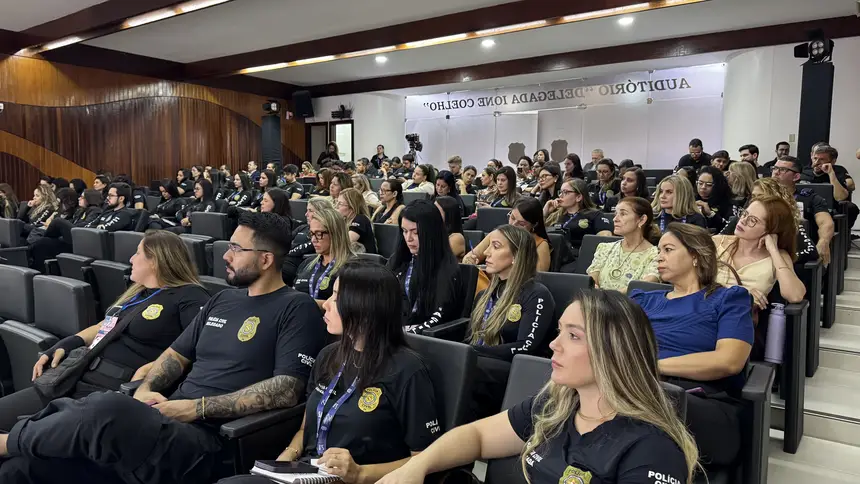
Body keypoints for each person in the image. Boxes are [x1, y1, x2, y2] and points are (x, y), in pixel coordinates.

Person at [0, 213, 328, 484]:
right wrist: (146, 389)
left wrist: (195, 409)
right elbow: (174, 356)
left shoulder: (296, 308)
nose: (226, 256)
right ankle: (18, 443)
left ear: (266, 259)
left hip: (208, 442)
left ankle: (8, 440)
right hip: (161, 424)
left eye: (236, 249)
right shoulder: (223, 299)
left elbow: (287, 389)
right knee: (21, 470)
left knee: (107, 408)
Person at [377, 290, 698, 484]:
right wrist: (417, 466)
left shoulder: (652, 450)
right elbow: (477, 436)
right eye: (560, 331)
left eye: (573, 336)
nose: (554, 345)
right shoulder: (555, 405)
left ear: (615, 351)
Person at [220, 261, 441, 484]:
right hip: (308, 474)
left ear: (364, 308)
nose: (325, 304)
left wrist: (359, 473)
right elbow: (306, 429)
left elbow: (423, 460)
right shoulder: (328, 355)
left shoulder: (408, 370)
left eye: (336, 298)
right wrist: (286, 459)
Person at [0, 230, 210, 432]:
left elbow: (198, 351)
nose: (131, 259)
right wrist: (67, 343)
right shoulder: (138, 293)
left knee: (21, 440)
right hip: (75, 377)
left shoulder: (190, 296)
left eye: (137, 253)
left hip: (109, 392)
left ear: (155, 260)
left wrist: (148, 373)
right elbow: (106, 325)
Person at [630, 223, 753, 468]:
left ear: (695, 255)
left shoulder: (728, 299)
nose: (659, 257)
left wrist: (650, 366)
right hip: (639, 390)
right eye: (659, 251)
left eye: (668, 250)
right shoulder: (642, 300)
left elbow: (728, 361)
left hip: (702, 402)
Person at [467, 225, 555, 418]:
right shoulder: (484, 295)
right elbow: (470, 337)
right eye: (489, 245)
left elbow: (527, 346)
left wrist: (473, 352)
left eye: (496, 246)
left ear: (516, 256)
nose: (487, 252)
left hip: (517, 370)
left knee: (465, 368)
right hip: (481, 362)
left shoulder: (536, 294)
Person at [713, 196, 806, 311]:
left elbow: (795, 296)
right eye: (744, 214)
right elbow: (693, 287)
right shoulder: (717, 243)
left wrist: (773, 249)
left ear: (770, 230)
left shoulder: (778, 256)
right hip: (706, 312)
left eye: (753, 220)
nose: (743, 220)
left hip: (740, 317)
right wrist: (740, 295)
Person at [389, 201, 464, 334]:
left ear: (431, 233)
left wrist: (403, 334)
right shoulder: (398, 260)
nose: (408, 238)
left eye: (416, 232)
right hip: (394, 331)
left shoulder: (446, 269)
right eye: (404, 231)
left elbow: (439, 317)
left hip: (423, 339)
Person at [587, 197, 660, 292]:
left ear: (642, 220)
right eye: (616, 214)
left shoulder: (656, 255)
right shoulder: (604, 248)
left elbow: (643, 286)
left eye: (623, 214)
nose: (615, 219)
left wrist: (608, 298)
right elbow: (591, 282)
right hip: (598, 300)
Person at [771, 155, 835, 265]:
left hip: (797, 252)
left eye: (782, 170)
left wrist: (824, 241)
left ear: (796, 176)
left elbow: (826, 223)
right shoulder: (762, 196)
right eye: (775, 168)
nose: (776, 173)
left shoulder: (810, 198)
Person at [464, 198, 551, 272]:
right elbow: (470, 256)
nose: (513, 225)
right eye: (512, 218)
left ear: (534, 225)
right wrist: (469, 260)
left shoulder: (540, 244)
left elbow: (539, 275)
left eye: (521, 224)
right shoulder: (497, 234)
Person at [294, 207, 356, 307]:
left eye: (319, 234)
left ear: (335, 233)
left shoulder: (352, 267)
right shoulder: (307, 263)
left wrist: (305, 304)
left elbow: (348, 306)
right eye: (311, 234)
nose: (313, 240)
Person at [545, 179, 613, 268]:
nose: (560, 196)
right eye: (560, 192)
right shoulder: (555, 215)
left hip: (578, 259)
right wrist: (545, 212)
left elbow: (605, 237)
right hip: (553, 256)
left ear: (578, 197)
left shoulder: (594, 215)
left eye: (565, 192)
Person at [802, 145, 858, 229]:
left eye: (822, 159)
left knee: (851, 208)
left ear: (833, 161)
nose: (816, 162)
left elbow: (841, 197)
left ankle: (837, 234)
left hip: (830, 207)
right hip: (806, 206)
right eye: (815, 158)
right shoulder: (804, 171)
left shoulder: (838, 171)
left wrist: (831, 173)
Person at [283, 199, 334, 286]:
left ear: (321, 212)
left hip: (296, 265)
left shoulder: (326, 233)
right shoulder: (302, 227)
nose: (306, 214)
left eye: (310, 210)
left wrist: (290, 250)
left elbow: (307, 247)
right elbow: (284, 241)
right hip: (285, 260)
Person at [337, 188, 377, 254]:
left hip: (365, 258)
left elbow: (346, 242)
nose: (337, 206)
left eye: (340, 203)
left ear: (352, 206)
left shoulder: (361, 219)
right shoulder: (345, 220)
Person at [695, 166, 734, 233]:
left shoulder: (728, 204)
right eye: (700, 183)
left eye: (709, 185)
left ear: (718, 185)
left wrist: (711, 214)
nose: (703, 187)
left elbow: (731, 228)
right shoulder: (692, 199)